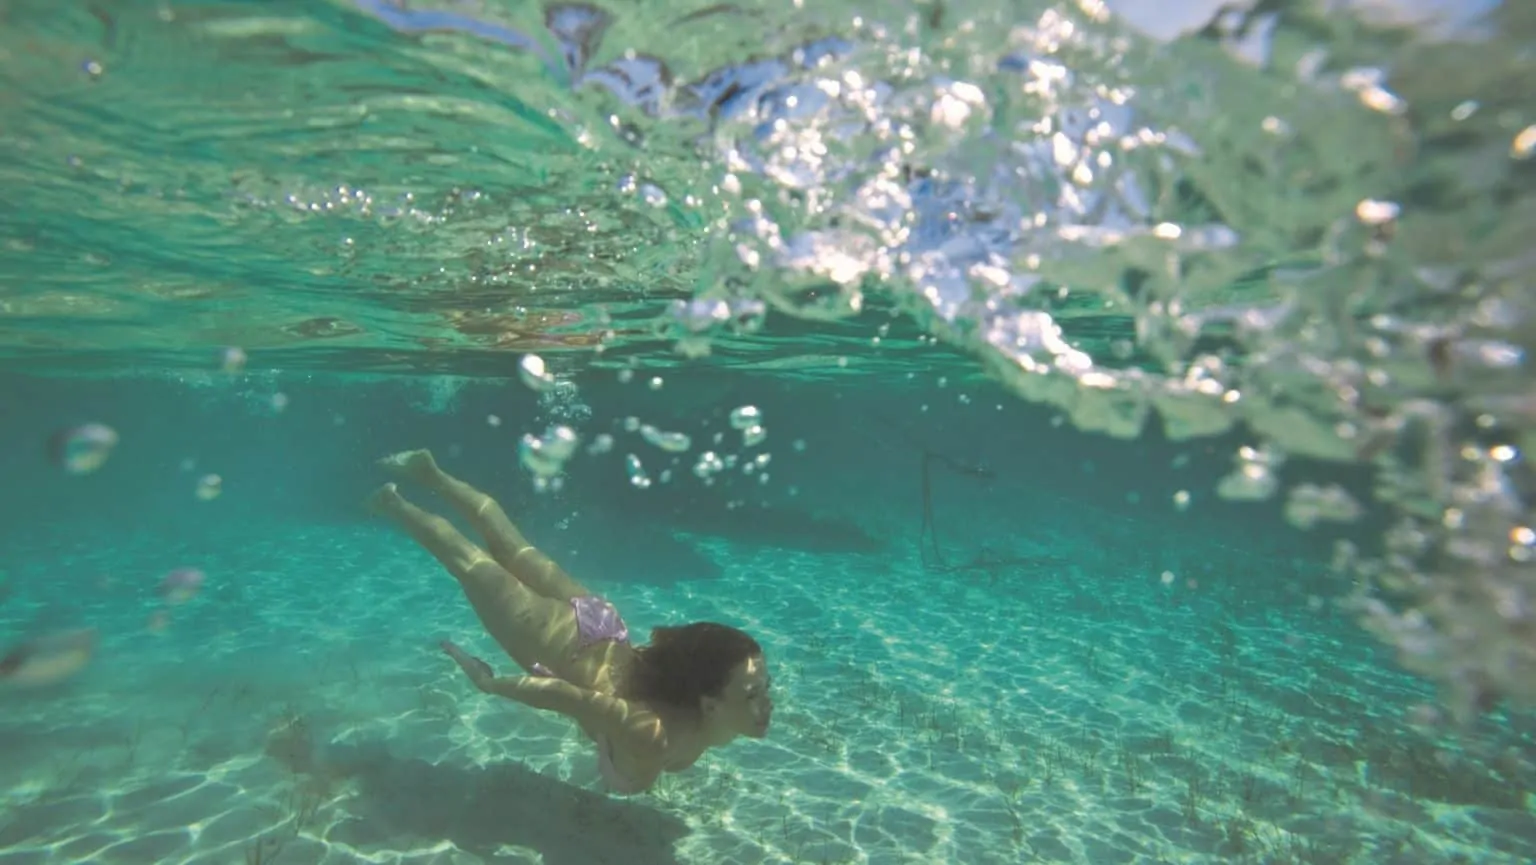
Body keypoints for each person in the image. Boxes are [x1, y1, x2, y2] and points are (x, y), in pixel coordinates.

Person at [366, 449, 773, 794]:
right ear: (710, 704)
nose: (767, 705)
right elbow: (567, 697)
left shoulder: (711, 719)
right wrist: (489, 684)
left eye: (764, 689)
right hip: (563, 644)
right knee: (471, 565)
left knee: (512, 547)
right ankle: (393, 501)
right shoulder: (653, 736)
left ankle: (431, 473)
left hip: (606, 625)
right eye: (754, 693)